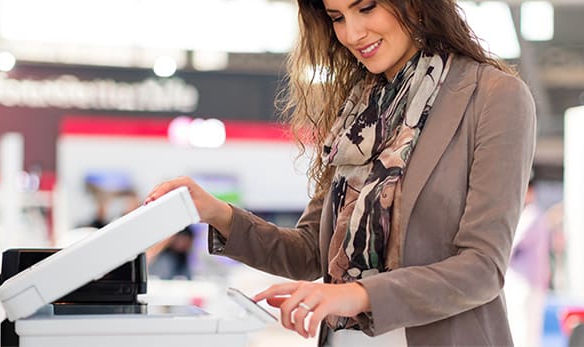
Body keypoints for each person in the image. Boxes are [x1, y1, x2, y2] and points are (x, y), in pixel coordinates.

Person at [145, 0, 536, 345]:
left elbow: (482, 267)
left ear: (415, 4)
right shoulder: (359, 111)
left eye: (366, 8)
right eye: (337, 17)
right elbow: (309, 252)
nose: (351, 33)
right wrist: (216, 213)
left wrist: (358, 294)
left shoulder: (493, 97)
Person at [505, 178, 551, 347]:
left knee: (522, 332)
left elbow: (508, 248)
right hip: (529, 283)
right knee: (527, 333)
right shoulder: (534, 215)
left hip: (523, 284)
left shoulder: (530, 214)